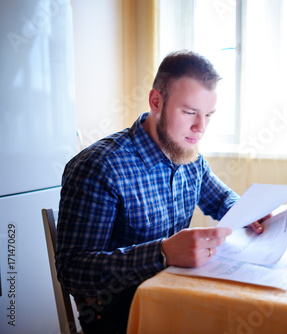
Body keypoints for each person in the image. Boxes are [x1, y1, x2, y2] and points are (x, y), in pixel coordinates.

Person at [55, 50, 266, 334]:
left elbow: (223, 201)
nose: (200, 128)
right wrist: (163, 253)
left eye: (208, 115)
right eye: (190, 112)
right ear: (156, 101)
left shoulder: (189, 155)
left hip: (176, 296)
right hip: (120, 317)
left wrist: (251, 212)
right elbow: (72, 271)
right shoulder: (99, 167)